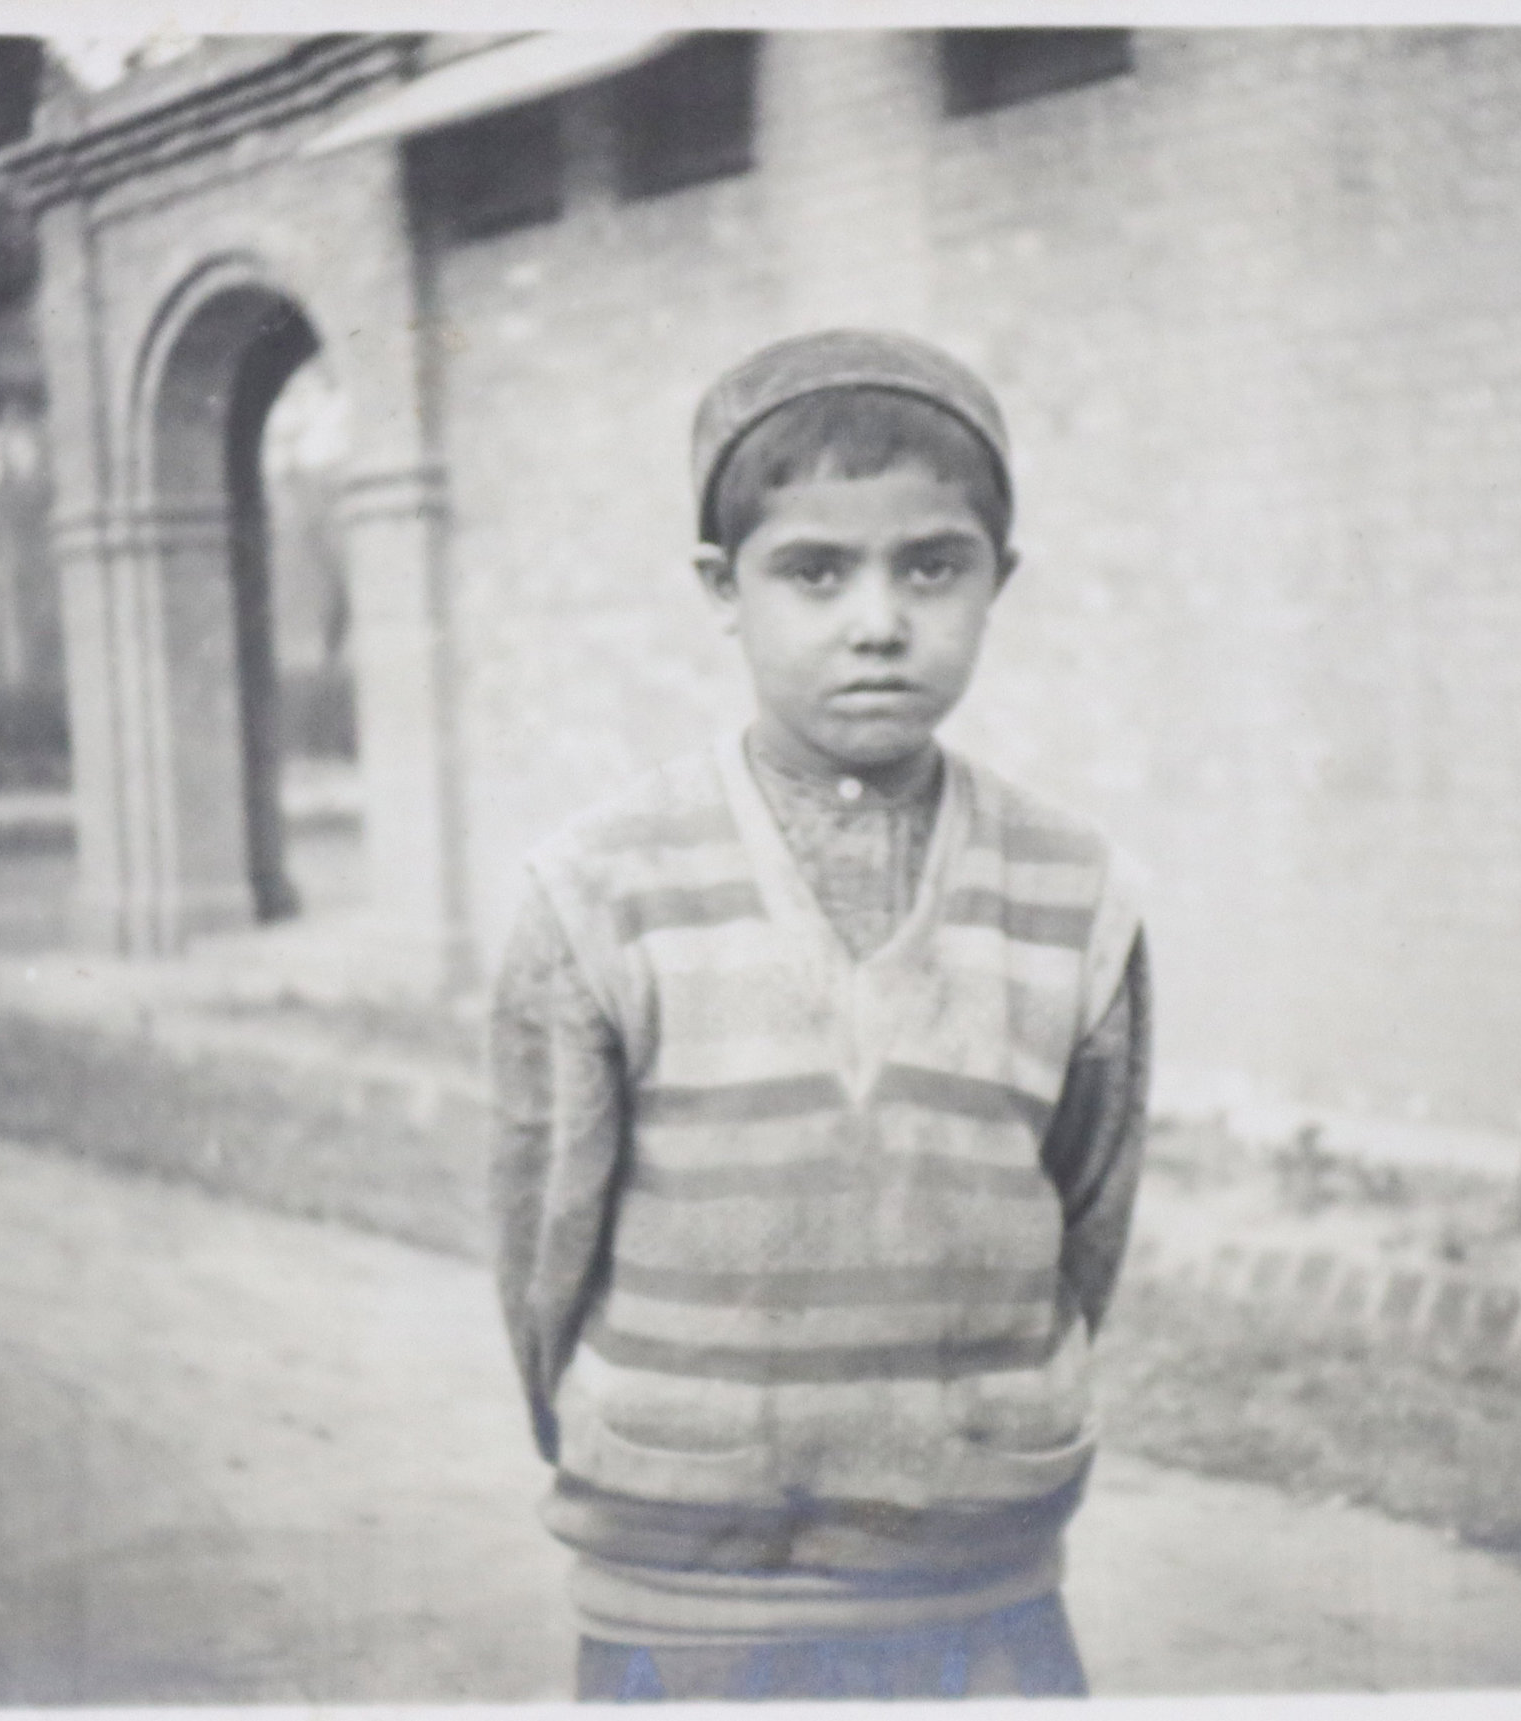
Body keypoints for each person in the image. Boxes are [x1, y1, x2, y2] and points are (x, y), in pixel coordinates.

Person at [487, 328, 1152, 1702]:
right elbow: (545, 1247)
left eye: (932, 567)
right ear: (721, 589)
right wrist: (651, 1458)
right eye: (814, 571)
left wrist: (990, 1434)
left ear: (998, 578)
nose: (878, 621)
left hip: (981, 1587)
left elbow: (1084, 1216)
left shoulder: (1076, 889)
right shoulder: (600, 888)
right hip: (688, 1593)